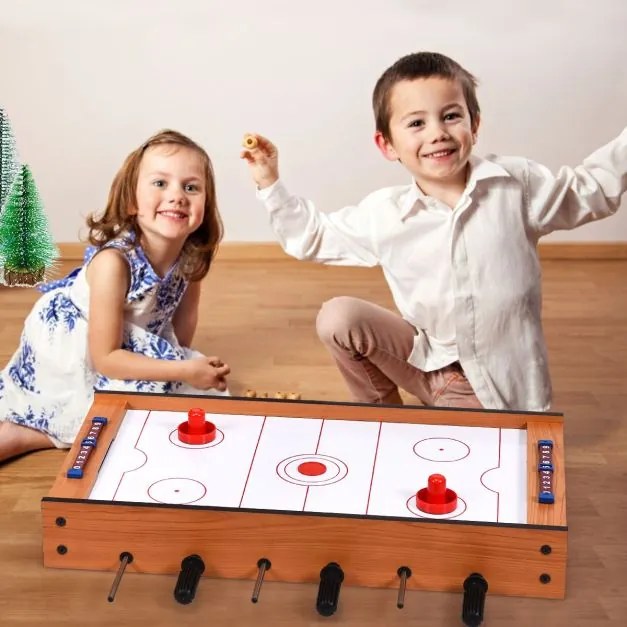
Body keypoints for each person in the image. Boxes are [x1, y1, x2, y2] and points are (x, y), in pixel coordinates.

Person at [241, 51, 626, 412]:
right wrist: (269, 182)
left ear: (474, 125)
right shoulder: (385, 213)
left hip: (494, 393)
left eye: (451, 116)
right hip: (427, 366)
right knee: (337, 317)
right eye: (416, 123)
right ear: (387, 145)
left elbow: (591, 188)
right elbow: (312, 236)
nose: (437, 133)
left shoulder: (515, 186)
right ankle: (383, 420)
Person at [0, 129, 230, 462]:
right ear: (131, 202)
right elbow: (105, 358)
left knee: (197, 402)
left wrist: (186, 368)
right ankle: (31, 433)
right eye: (160, 183)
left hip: (127, 342)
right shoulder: (114, 263)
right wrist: (183, 373)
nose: (177, 196)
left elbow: (180, 332)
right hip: (78, 347)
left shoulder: (191, 257)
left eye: (191, 187)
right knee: (125, 425)